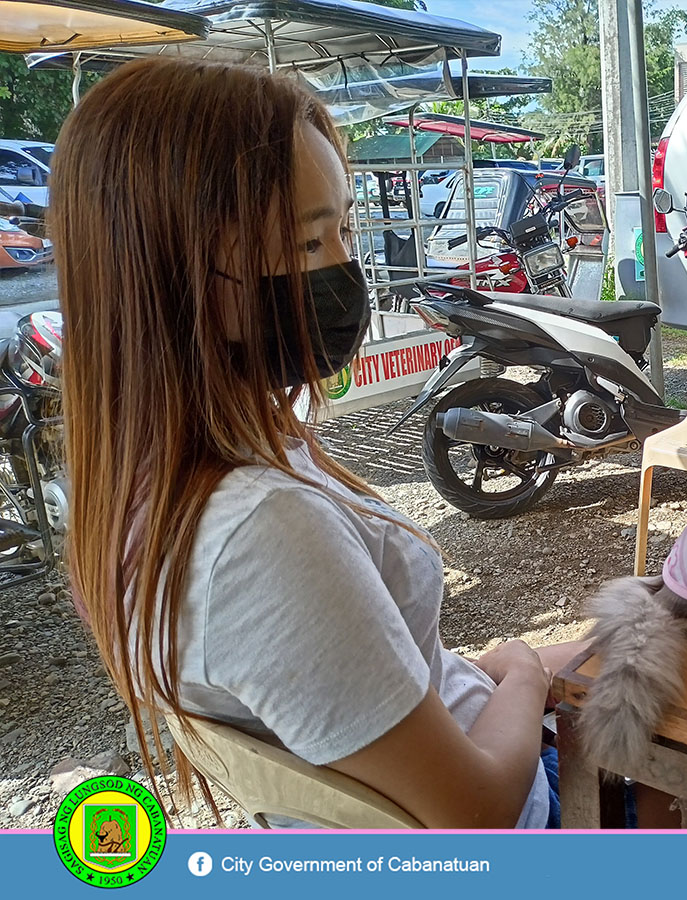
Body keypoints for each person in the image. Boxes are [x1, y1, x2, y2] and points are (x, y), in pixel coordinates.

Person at [53, 56, 583, 829]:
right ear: (174, 268)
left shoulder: (149, 480)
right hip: (544, 809)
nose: (343, 272)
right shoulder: (259, 535)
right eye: (306, 245)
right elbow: (476, 815)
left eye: (341, 230)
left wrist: (502, 670)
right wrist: (526, 673)